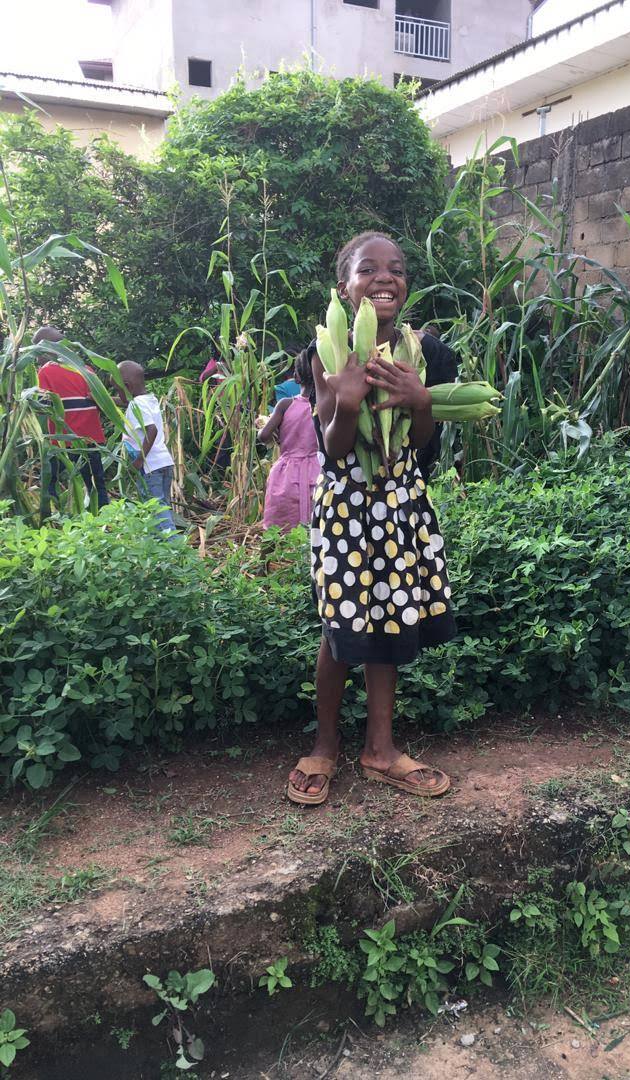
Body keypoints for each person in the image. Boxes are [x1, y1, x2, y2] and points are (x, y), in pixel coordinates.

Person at [287, 231, 457, 807]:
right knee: (341, 629)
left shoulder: (423, 352)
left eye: (397, 269)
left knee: (392, 619)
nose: (385, 278)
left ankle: (380, 750)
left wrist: (421, 400)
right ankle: (327, 743)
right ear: (345, 285)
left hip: (402, 502)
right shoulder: (328, 352)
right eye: (368, 270)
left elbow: (426, 446)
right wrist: (348, 402)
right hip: (348, 508)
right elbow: (331, 449)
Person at [34, 325, 109, 510]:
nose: (36, 358)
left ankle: (51, 519)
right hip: (91, 439)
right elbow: (101, 404)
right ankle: (105, 522)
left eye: (37, 352)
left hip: (62, 441)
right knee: (96, 483)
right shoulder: (87, 370)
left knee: (50, 482)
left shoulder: (46, 371)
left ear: (48, 350)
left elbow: (42, 406)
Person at [257, 349, 320, 532]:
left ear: (295, 376)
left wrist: (272, 428)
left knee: (278, 528)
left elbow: (263, 436)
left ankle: (270, 559)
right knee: (316, 527)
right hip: (317, 471)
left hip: (286, 474)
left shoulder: (285, 404)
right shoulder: (324, 407)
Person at [117, 361, 175, 534]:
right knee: (162, 508)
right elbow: (125, 402)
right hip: (163, 462)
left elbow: (152, 429)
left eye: (117, 390)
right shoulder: (148, 399)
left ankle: (175, 548)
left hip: (150, 467)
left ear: (127, 386)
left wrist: (140, 459)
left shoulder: (136, 405)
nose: (117, 394)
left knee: (157, 512)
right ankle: (162, 550)